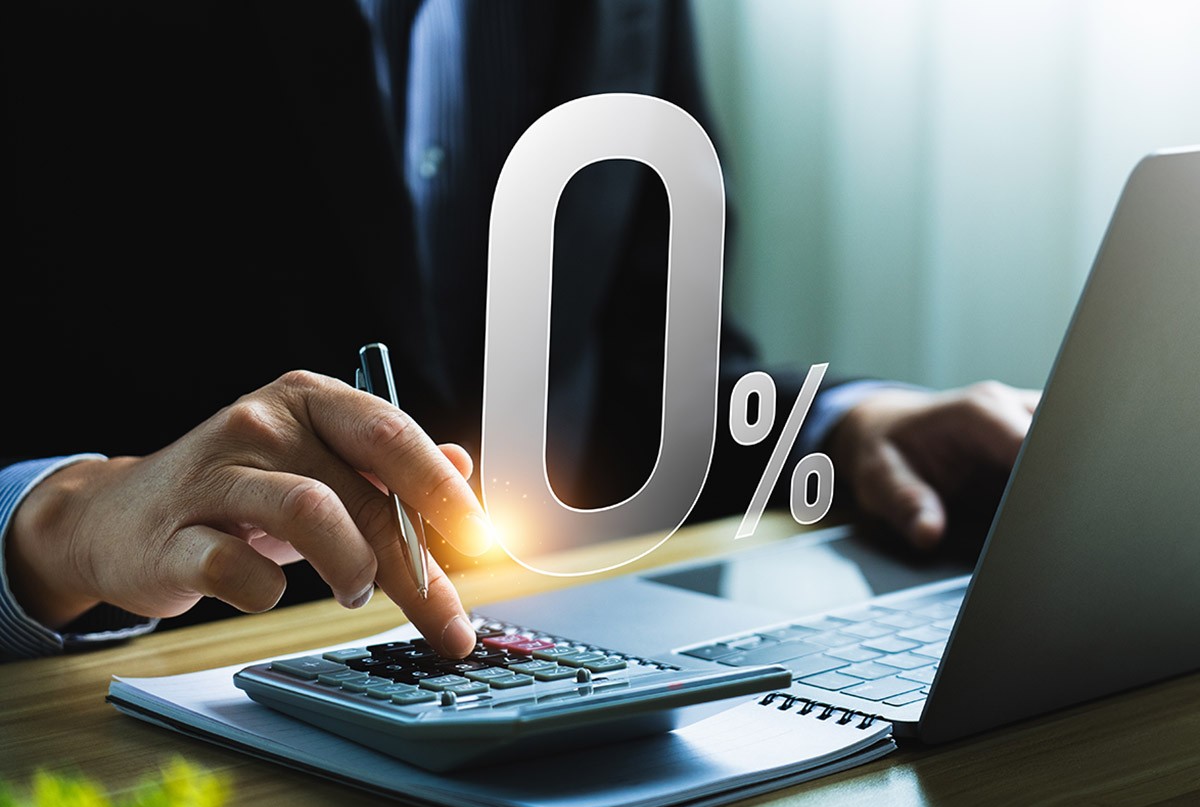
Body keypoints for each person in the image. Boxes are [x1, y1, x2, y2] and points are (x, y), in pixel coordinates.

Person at [1, 0, 1038, 662]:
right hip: (139, 741)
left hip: (542, 713)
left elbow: (645, 374)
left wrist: (836, 430)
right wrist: (55, 525)